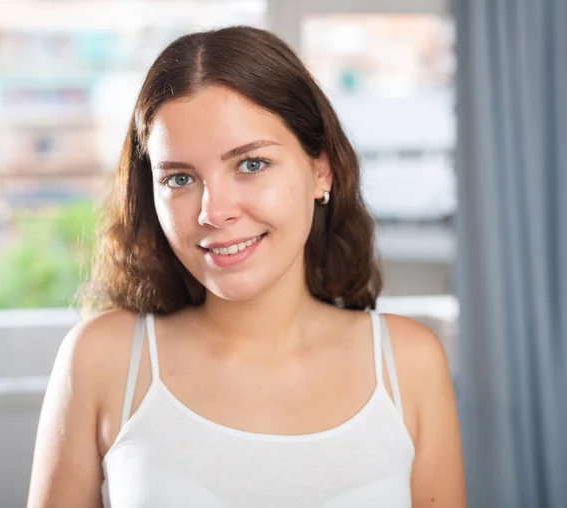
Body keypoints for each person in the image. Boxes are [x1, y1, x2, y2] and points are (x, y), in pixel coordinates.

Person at [26, 25, 465, 508]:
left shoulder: (410, 364)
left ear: (321, 170)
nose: (214, 212)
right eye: (179, 177)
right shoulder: (101, 361)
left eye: (251, 165)